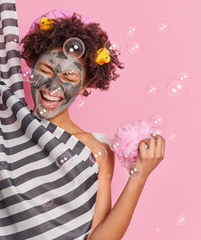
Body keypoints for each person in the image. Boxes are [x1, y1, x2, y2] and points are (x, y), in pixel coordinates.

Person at [20, 9, 166, 240]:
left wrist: (140, 176)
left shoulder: (94, 150)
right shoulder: (7, 130)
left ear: (85, 83)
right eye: (46, 70)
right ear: (32, 68)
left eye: (69, 78)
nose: (54, 86)